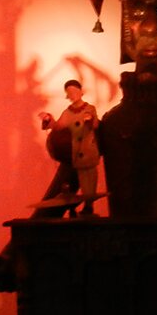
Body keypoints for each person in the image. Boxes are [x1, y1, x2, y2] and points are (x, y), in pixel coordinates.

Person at [39, 80, 100, 215]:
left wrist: (89, 120)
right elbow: (58, 126)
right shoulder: (68, 113)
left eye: (74, 91)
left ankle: (89, 206)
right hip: (76, 154)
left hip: (88, 151)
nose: (72, 95)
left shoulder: (89, 108)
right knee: (81, 180)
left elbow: (94, 124)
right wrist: (49, 120)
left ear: (80, 92)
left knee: (90, 182)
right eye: (69, 93)